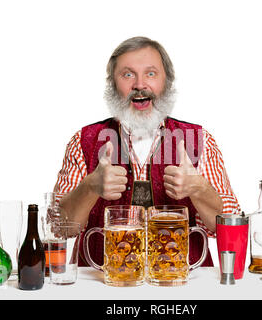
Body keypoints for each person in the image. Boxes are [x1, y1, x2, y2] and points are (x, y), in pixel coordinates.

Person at [53, 36, 241, 267]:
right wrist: (90, 187)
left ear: (167, 81)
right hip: (102, 283)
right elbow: (58, 227)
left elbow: (228, 227)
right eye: (127, 74)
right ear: (112, 84)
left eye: (151, 74)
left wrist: (198, 188)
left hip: (182, 284)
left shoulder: (200, 140)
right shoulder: (83, 140)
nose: (140, 85)